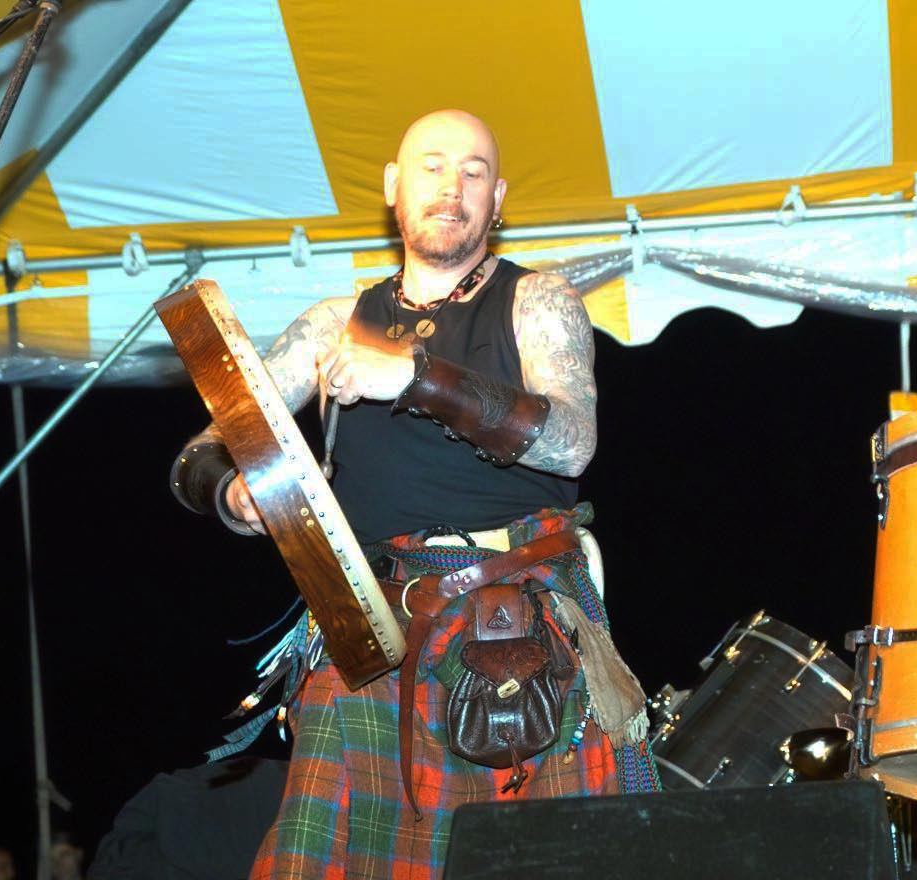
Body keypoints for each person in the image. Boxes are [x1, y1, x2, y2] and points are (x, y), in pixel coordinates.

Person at [170, 109, 657, 878]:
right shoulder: (334, 324)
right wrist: (236, 492)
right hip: (369, 627)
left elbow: (572, 440)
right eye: (432, 166)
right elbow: (201, 452)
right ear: (394, 187)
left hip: (518, 620)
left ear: (497, 199)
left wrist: (415, 377)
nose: (452, 185)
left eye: (473, 171)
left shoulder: (538, 301)